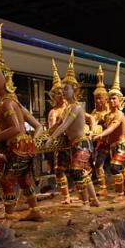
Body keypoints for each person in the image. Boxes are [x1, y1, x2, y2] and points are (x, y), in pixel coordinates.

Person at [0, 24, 43, 224]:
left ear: (6, 78)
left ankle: (9, 216)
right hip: (24, 146)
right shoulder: (6, 104)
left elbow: (15, 128)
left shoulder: (7, 103)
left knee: (7, 180)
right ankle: (34, 210)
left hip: (18, 146)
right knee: (24, 179)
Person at [49, 50, 100, 209]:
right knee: (82, 172)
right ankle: (94, 200)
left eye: (66, 89)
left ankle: (86, 202)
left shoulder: (76, 107)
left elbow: (65, 125)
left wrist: (51, 138)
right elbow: (59, 125)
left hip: (82, 143)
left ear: (75, 89)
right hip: (74, 144)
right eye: (62, 90)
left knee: (77, 171)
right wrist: (48, 133)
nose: (63, 92)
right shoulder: (66, 109)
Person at [95, 62, 125, 202]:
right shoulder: (107, 115)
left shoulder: (119, 114)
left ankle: (120, 194)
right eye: (110, 98)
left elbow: (112, 128)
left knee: (115, 167)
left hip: (121, 145)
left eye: (114, 98)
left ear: (120, 100)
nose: (111, 100)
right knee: (120, 167)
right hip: (112, 146)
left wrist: (100, 135)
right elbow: (99, 122)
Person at [47, 58, 69, 201]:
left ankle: (88, 198)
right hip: (61, 145)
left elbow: (88, 119)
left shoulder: (72, 107)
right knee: (59, 171)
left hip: (76, 142)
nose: (60, 95)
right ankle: (66, 196)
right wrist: (59, 124)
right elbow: (51, 130)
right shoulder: (53, 112)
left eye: (62, 92)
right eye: (57, 93)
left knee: (81, 170)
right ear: (53, 96)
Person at [90, 65, 111, 198]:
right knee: (98, 164)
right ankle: (103, 187)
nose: (98, 101)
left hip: (108, 142)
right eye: (96, 98)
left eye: (100, 98)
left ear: (106, 99)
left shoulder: (109, 112)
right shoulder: (94, 112)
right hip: (98, 143)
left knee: (118, 166)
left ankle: (124, 186)